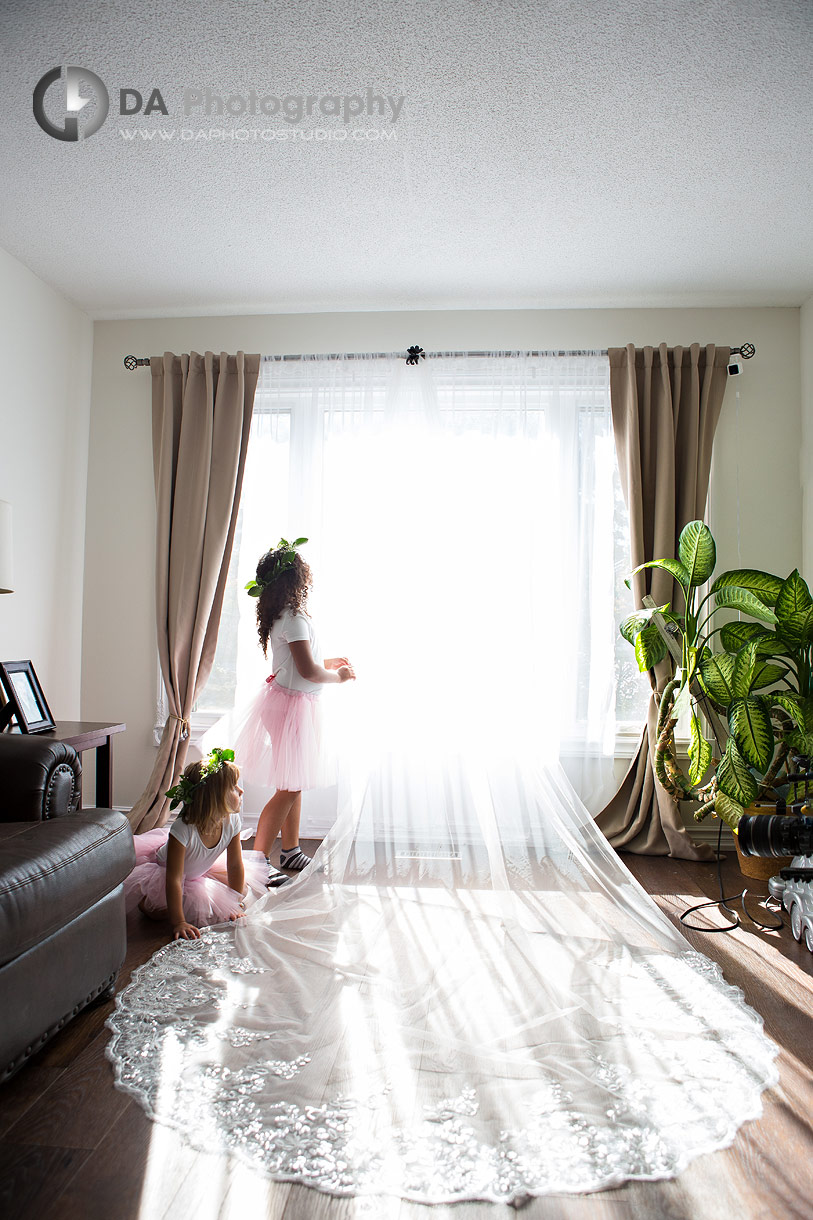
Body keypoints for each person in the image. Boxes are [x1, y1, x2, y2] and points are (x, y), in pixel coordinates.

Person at [231, 537, 355, 884]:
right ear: (295, 580)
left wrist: (327, 663)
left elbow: (298, 663)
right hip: (291, 709)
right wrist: (339, 676)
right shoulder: (294, 618)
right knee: (289, 787)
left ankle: (290, 851)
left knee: (293, 781)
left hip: (287, 704)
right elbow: (308, 672)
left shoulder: (284, 615)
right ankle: (256, 862)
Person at [124, 747, 268, 939]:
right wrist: (179, 922)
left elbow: (234, 864)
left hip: (200, 870)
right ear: (216, 798)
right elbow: (174, 878)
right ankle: (146, 900)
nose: (241, 790)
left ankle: (195, 897)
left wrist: (233, 902)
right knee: (155, 912)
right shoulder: (183, 829)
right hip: (165, 872)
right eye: (234, 787)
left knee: (241, 890)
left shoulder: (232, 821)